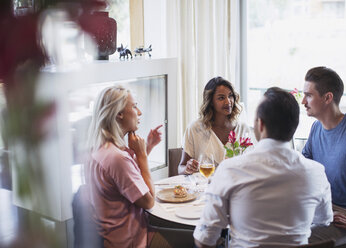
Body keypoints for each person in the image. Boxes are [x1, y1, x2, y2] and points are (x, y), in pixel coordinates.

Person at [193, 87, 333, 247]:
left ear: (260, 124)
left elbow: (204, 240)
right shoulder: (316, 172)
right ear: (294, 126)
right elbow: (324, 220)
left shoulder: (230, 170)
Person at [84, 85, 163, 248]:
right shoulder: (117, 158)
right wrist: (142, 156)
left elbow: (124, 179)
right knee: (198, 238)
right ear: (119, 113)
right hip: (133, 241)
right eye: (134, 106)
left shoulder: (100, 150)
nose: (139, 112)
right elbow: (149, 201)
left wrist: (147, 147)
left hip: (112, 239)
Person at [301, 66, 346, 245]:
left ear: (327, 98)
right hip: (323, 210)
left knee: (300, 238)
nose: (303, 101)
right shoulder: (316, 128)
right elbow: (301, 170)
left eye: (308, 95)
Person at [178, 76, 255, 175]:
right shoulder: (195, 129)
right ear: (211, 102)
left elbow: (251, 165)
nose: (228, 101)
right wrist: (188, 168)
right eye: (221, 98)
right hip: (204, 188)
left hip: (234, 187)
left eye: (230, 96)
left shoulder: (243, 128)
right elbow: (181, 167)